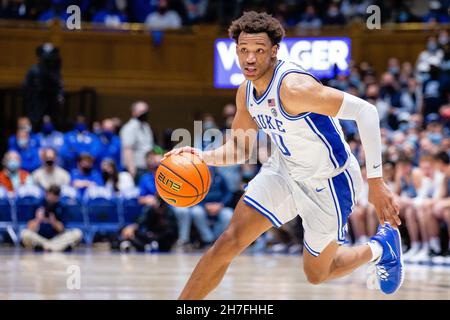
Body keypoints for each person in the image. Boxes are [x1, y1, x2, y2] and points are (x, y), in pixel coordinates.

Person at [165, 12, 402, 299]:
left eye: (258, 51)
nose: (249, 59)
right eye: (243, 51)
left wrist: (375, 183)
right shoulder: (246, 92)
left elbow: (367, 112)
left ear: (274, 51)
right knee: (228, 242)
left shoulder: (293, 87)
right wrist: (202, 157)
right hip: (285, 170)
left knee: (317, 274)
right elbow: (241, 148)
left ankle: (380, 247)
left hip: (328, 182)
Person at [20, 185, 83, 252]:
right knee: (25, 233)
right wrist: (38, 219)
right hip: (40, 237)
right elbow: (30, 227)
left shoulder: (61, 207)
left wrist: (54, 222)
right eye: (51, 194)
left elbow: (62, 229)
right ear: (46, 194)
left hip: (57, 238)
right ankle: (54, 247)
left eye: (56, 195)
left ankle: (46, 247)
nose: (53, 198)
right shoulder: (37, 205)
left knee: (77, 233)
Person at [190, 167, 233, 246]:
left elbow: (228, 193)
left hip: (219, 206)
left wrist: (221, 204)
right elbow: (193, 195)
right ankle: (208, 239)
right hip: (204, 207)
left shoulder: (220, 177)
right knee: (196, 212)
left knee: (228, 214)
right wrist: (204, 205)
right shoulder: (197, 179)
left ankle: (217, 239)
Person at [120, 101, 154, 183]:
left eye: (146, 111)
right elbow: (127, 149)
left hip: (147, 168)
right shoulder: (129, 128)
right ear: (134, 112)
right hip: (136, 169)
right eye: (142, 111)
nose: (145, 114)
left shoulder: (146, 126)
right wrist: (132, 170)